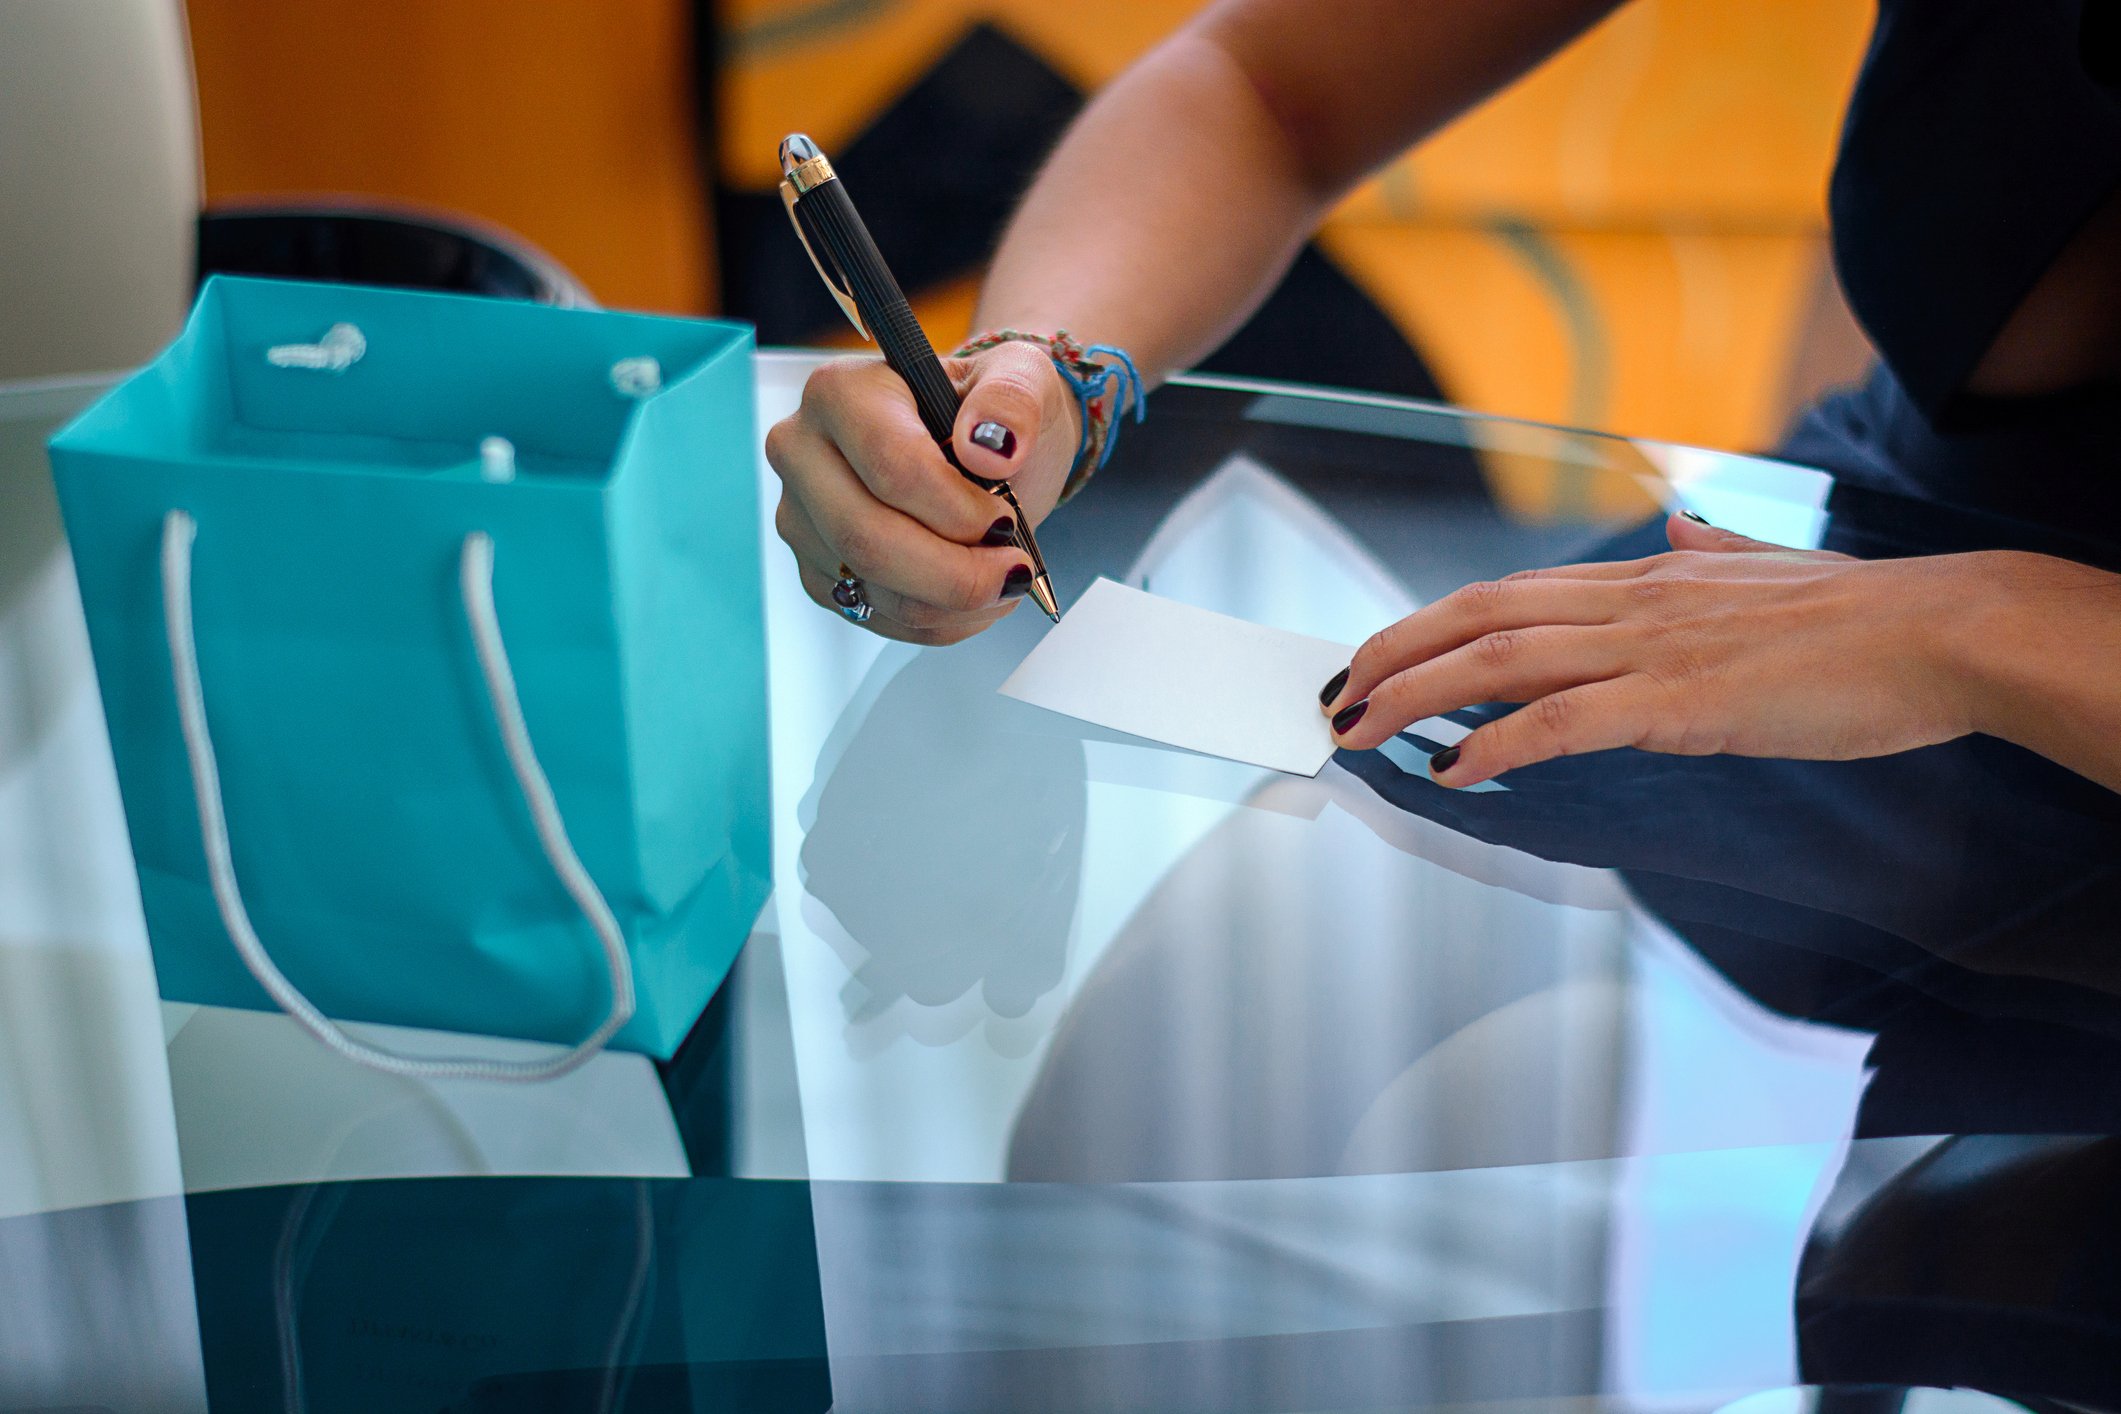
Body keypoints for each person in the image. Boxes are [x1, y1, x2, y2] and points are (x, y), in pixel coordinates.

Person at [763, 0, 2121, 794]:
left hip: (1998, 647)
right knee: (1179, 1059)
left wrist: (1975, 629)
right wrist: (1046, 370)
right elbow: (1269, 90)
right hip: (1877, 551)